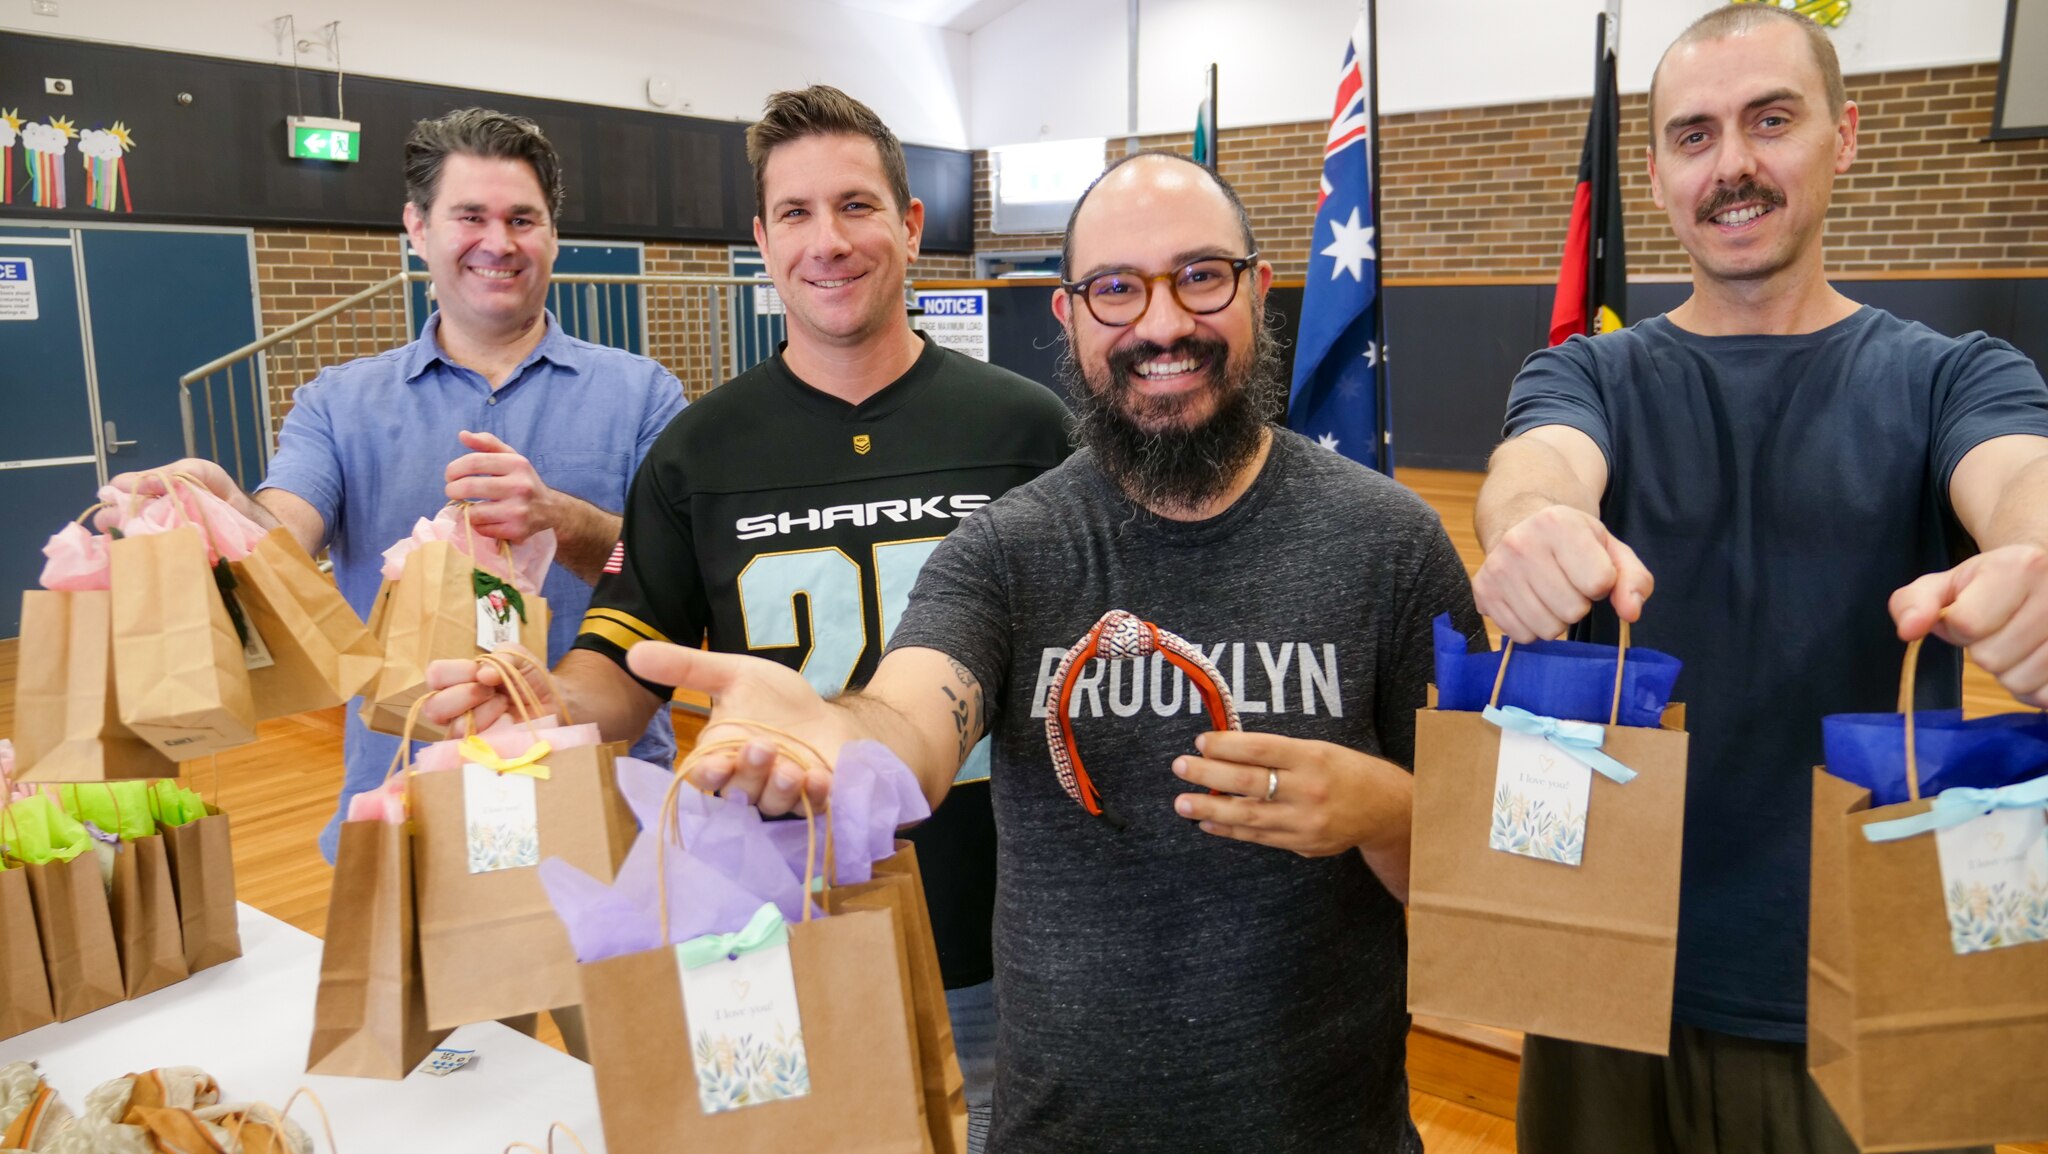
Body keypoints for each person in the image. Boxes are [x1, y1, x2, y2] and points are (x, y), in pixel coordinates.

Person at [438, 149, 1482, 1152]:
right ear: (1069, 316)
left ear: (1258, 289)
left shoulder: (1390, 544)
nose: (1162, 322)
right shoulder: (1007, 546)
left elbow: (1481, 878)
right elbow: (911, 714)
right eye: (1116, 288)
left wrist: (1385, 809)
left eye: (1200, 277)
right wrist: (839, 735)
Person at [425, 86, 1072, 1149]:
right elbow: (624, 659)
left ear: (910, 228)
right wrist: (536, 698)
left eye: (856, 205)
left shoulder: (1023, 426)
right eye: (797, 214)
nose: (829, 240)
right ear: (762, 240)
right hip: (778, 928)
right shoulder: (698, 451)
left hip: (1014, 931)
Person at [1471, 8, 2048, 1152]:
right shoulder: (1588, 371)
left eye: (1768, 120)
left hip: (1868, 982)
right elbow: (1535, 467)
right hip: (1601, 977)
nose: (1730, 164)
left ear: (1842, 138)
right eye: (1692, 134)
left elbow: (2018, 476)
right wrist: (1530, 523)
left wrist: (2033, 556)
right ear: (1653, 174)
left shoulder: (1949, 376)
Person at [112, 107, 685, 862]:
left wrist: (561, 519)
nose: (499, 242)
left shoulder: (642, 394)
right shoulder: (339, 403)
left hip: (605, 788)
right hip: (406, 796)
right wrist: (225, 511)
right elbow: (284, 532)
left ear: (552, 234)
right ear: (417, 228)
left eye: (523, 218)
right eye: (469, 216)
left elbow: (672, 577)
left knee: (620, 981)